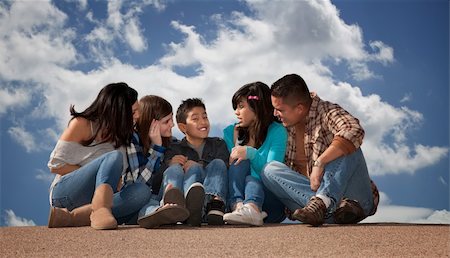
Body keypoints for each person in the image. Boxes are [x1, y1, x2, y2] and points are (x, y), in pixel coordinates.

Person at [261, 74, 379, 226]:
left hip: (353, 201)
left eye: (280, 110)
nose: (275, 114)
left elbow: (353, 130)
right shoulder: (282, 128)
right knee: (269, 170)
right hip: (310, 207)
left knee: (347, 144)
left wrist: (320, 162)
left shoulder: (327, 111)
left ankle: (324, 201)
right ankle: (321, 206)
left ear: (299, 108)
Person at [47, 82, 151, 230]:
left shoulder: (122, 137)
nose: (138, 115)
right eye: (133, 112)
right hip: (65, 195)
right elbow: (56, 165)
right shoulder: (82, 124)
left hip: (97, 200)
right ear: (118, 111)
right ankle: (100, 208)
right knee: (113, 157)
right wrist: (99, 173)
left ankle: (75, 217)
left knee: (142, 192)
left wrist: (116, 180)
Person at [222, 81, 287, 226]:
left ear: (257, 108)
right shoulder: (229, 132)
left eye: (241, 106)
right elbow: (231, 173)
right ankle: (238, 207)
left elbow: (272, 175)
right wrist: (238, 147)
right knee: (240, 160)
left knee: (250, 177)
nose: (236, 112)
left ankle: (252, 207)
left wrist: (251, 153)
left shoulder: (277, 131)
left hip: (270, 204)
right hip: (236, 200)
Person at [123, 95, 189, 228]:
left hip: (159, 197)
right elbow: (139, 185)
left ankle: (169, 207)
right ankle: (161, 211)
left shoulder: (172, 141)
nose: (172, 124)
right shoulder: (132, 141)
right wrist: (156, 149)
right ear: (151, 123)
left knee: (175, 168)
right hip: (138, 202)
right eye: (167, 121)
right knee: (147, 202)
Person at [161, 98, 229, 226]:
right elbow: (161, 176)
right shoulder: (174, 148)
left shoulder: (218, 143)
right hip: (187, 196)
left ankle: (214, 206)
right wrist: (170, 163)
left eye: (205, 117)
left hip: (210, 199)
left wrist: (200, 165)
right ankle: (187, 208)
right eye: (195, 119)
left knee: (218, 163)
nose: (203, 122)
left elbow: (225, 166)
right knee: (190, 170)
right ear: (182, 127)